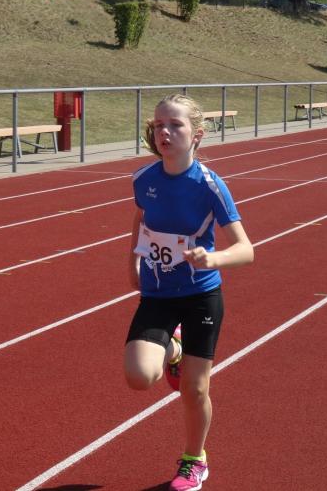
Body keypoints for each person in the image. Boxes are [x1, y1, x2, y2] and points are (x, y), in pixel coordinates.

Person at [125, 93, 254, 491]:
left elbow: (246, 249)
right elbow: (141, 218)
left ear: (197, 135)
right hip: (158, 293)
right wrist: (134, 259)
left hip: (200, 295)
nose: (164, 132)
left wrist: (213, 259)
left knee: (194, 389)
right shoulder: (144, 179)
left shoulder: (210, 186)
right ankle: (174, 348)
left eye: (175, 125)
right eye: (158, 125)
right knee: (139, 377)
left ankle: (194, 459)